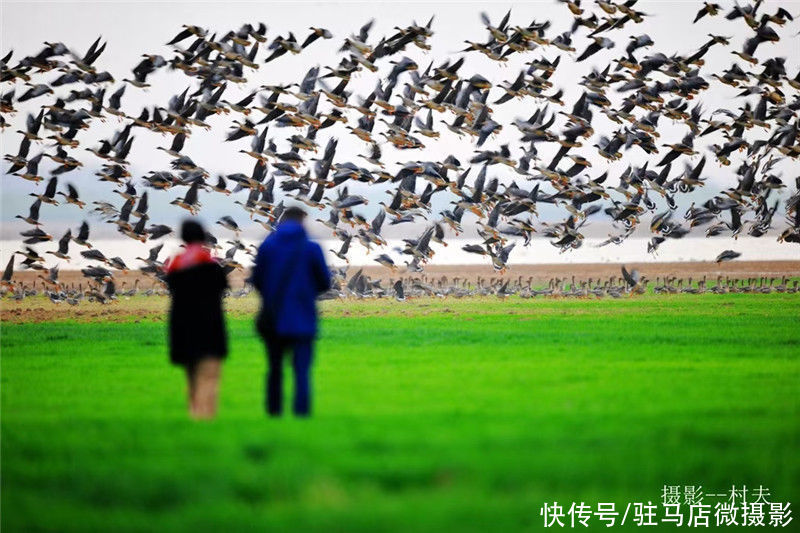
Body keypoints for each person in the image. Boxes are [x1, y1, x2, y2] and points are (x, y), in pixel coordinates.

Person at [251, 206, 331, 417]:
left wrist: (272, 297)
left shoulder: (267, 247)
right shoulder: (312, 248)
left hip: (274, 319)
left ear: (281, 220)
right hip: (303, 319)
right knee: (302, 372)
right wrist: (305, 294)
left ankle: (274, 413)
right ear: (303, 221)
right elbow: (325, 282)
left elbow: (257, 281)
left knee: (275, 370)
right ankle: (301, 414)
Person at [164, 220, 229, 419]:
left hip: (183, 329)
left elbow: (172, 291)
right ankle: (206, 417)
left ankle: (194, 414)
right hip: (210, 328)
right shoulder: (213, 268)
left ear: (183, 238)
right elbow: (223, 289)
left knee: (191, 377)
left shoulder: (174, 268)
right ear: (202, 237)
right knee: (209, 376)